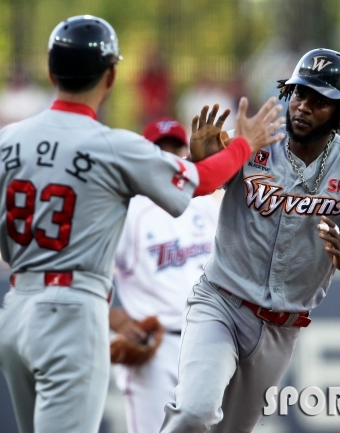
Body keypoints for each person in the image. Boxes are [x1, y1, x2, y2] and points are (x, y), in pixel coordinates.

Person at [0, 14, 285, 433]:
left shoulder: (6, 139)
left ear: (49, 71)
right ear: (111, 76)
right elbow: (201, 182)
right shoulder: (112, 146)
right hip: (71, 314)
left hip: (15, 313)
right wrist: (246, 143)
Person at [159, 48, 340, 433]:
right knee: (194, 413)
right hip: (221, 301)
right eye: (300, 93)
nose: (303, 106)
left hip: (280, 328)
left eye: (320, 102)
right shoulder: (256, 140)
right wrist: (199, 160)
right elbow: (197, 185)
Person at [109, 117, 219, 433]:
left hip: (209, 345)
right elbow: (84, 270)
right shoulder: (129, 211)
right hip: (154, 350)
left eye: (175, 147)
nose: (169, 156)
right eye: (160, 149)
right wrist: (111, 317)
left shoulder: (205, 206)